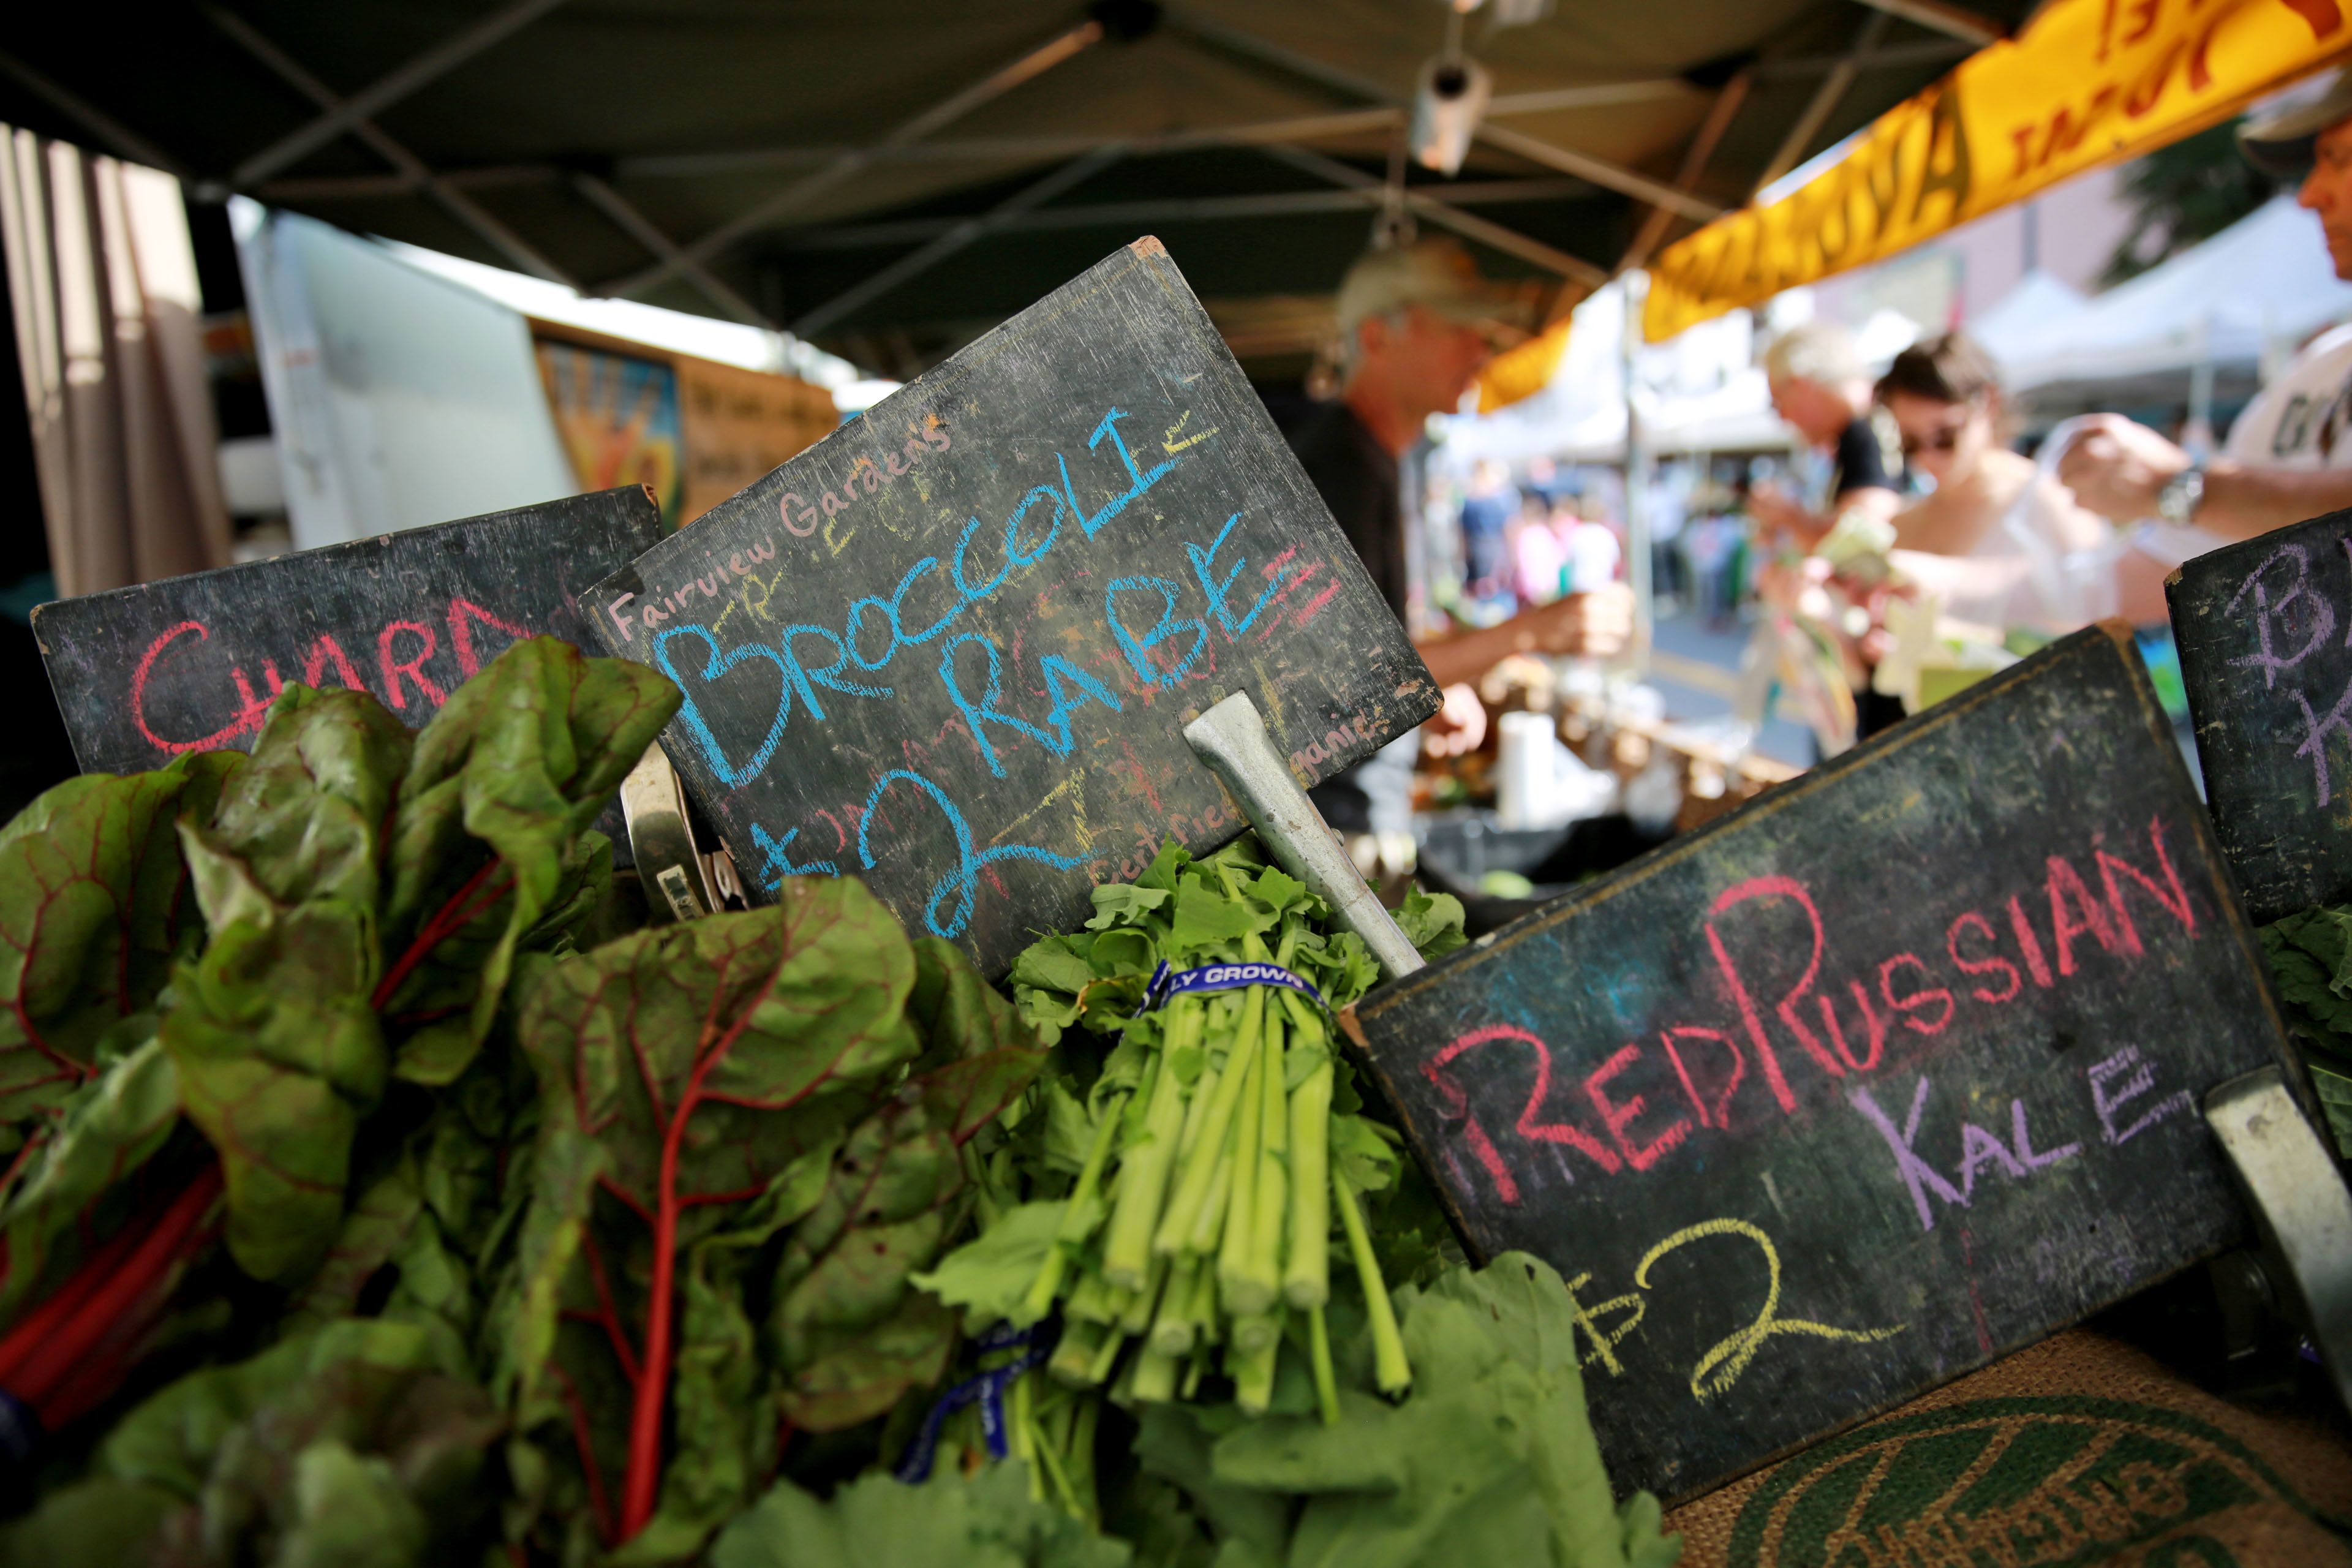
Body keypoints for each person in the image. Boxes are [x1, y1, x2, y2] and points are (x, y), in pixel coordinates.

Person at [1284, 238, 1632, 830]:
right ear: (1377, 337)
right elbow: (1348, 677)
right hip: (1335, 823)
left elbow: (1373, 646)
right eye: (1458, 329)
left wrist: (1431, 687)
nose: (1480, 348)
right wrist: (1534, 629)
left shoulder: (1376, 461)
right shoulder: (1337, 470)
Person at [2060, 68, 2352, 551]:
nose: (2309, 195)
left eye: (2338, 159)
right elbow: (2160, 568)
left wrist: (2177, 484)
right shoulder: (2322, 368)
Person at [1874, 334, 2171, 630]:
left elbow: (2096, 620)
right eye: (1909, 442)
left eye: (1945, 437)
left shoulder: (2053, 500)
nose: (1927, 457)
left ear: (1989, 403)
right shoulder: (1905, 521)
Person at [1748, 320, 1904, 547]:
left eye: (1778, 403)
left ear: (1800, 386)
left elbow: (1864, 541)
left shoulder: (1869, 425)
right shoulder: (1861, 426)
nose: (1783, 419)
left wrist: (1791, 519)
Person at [1458, 460, 1514, 600]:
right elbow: (1509, 529)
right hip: (1495, 549)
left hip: (1476, 550)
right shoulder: (1500, 496)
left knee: (1479, 594)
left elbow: (1463, 534)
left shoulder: (1469, 498)